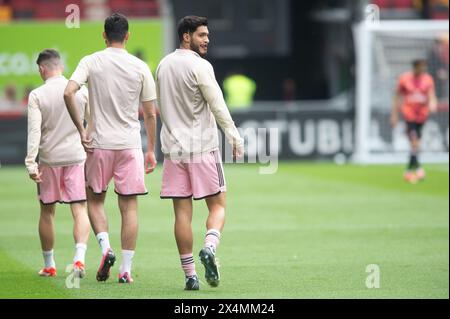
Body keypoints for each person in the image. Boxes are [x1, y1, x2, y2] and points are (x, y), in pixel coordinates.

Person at [64, 13, 158, 284]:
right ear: (128, 36)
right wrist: (151, 149)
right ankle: (125, 270)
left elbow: (68, 92)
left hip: (99, 144)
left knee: (94, 200)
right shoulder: (140, 66)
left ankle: (106, 248)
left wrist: (82, 129)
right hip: (130, 145)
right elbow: (150, 113)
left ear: (104, 35)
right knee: (129, 207)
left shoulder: (91, 61)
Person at [156, 15, 244, 290]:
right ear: (186, 36)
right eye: (202, 35)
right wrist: (234, 137)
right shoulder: (201, 66)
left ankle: (190, 276)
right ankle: (210, 247)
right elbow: (217, 104)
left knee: (182, 215)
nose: (207, 40)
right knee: (218, 205)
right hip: (202, 148)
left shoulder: (162, 65)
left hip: (173, 151)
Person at [25, 49, 90, 279]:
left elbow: (34, 132)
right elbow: (90, 124)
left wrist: (31, 163)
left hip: (49, 160)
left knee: (46, 212)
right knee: (80, 209)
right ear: (60, 66)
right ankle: (79, 259)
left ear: (42, 69)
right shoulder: (80, 91)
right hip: (75, 157)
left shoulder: (37, 95)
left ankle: (49, 264)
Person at [391, 59, 438, 183]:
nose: (423, 70)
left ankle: (408, 171)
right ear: (415, 67)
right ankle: (419, 170)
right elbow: (397, 96)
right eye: (421, 67)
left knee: (416, 145)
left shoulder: (428, 79)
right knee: (414, 143)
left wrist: (433, 103)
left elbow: (431, 94)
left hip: (422, 115)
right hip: (409, 115)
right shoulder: (404, 78)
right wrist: (394, 114)